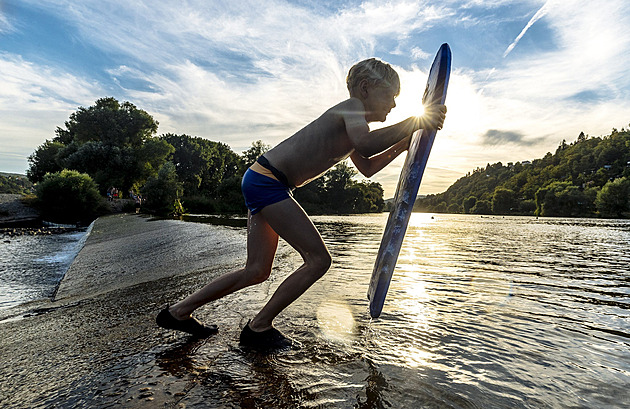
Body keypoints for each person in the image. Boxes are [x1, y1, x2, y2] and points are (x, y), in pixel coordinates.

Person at [156, 58, 446, 350]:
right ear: (365, 87)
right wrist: (415, 122)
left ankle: (179, 312)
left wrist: (405, 142)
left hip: (263, 179)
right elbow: (367, 144)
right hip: (268, 181)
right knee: (319, 260)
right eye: (392, 96)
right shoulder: (353, 108)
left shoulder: (354, 123)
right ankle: (258, 327)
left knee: (256, 270)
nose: (394, 106)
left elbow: (367, 167)